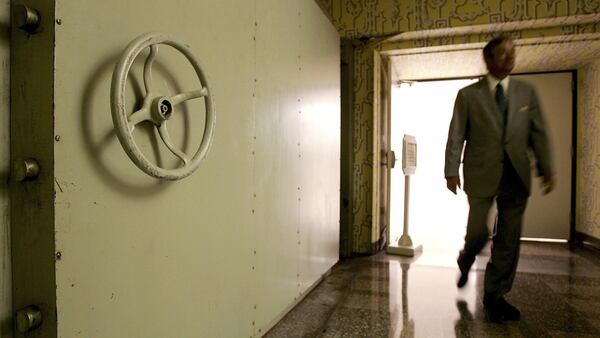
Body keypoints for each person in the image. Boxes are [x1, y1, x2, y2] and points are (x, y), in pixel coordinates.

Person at [444, 35, 555, 322]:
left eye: (512, 52)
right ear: (489, 59)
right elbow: (457, 134)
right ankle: (466, 258)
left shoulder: (525, 93)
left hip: (516, 176)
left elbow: (537, 133)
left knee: (508, 239)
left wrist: (546, 167)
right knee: (478, 233)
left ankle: (495, 295)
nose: (510, 57)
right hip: (481, 173)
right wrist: (451, 169)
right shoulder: (469, 95)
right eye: (503, 53)